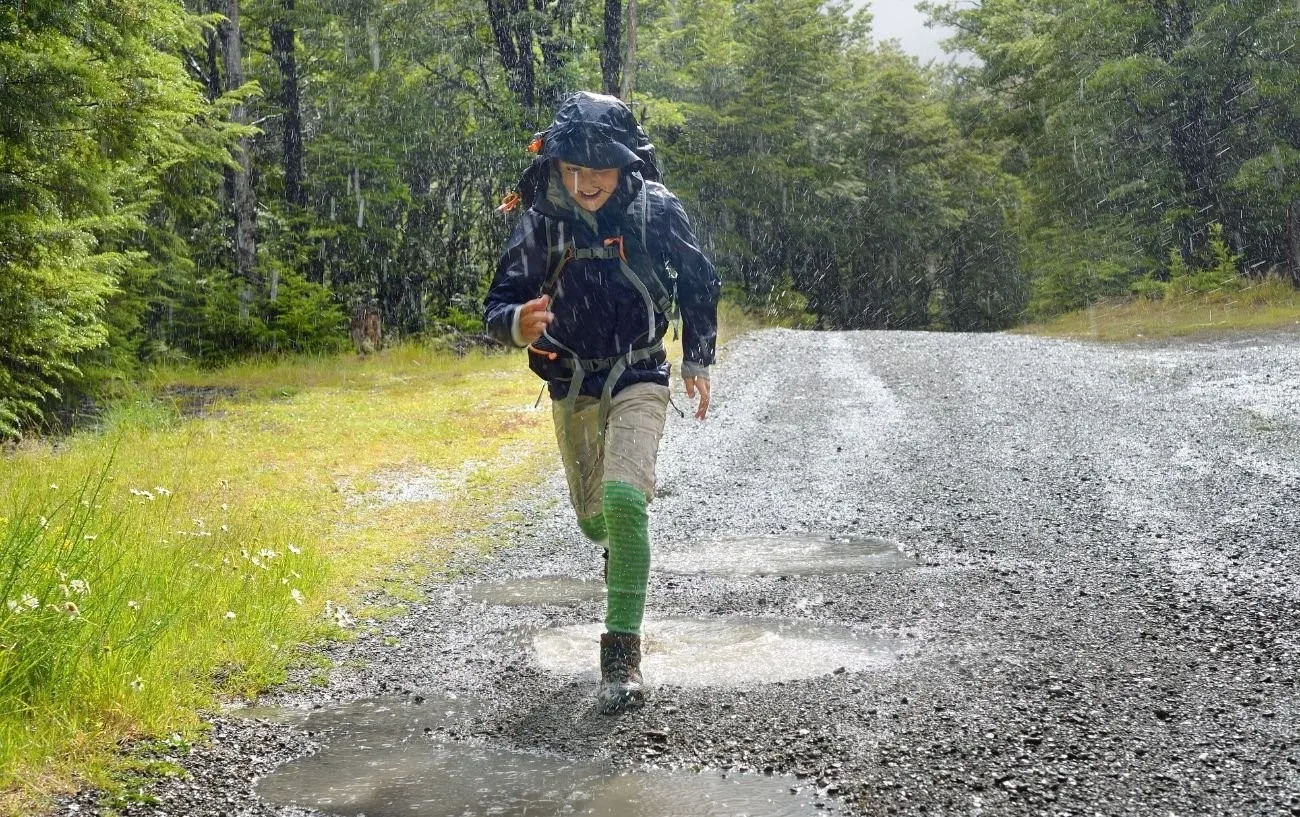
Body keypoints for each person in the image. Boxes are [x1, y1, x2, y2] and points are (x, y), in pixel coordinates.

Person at [483, 91, 720, 715]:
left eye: (601, 168)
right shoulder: (539, 221)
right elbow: (498, 303)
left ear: (626, 164)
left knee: (623, 498)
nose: (588, 182)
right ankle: (619, 544)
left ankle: (621, 657)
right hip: (571, 380)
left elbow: (700, 281)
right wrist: (517, 322)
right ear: (555, 166)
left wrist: (697, 357)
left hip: (640, 370)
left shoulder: (654, 210)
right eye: (574, 168)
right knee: (597, 521)